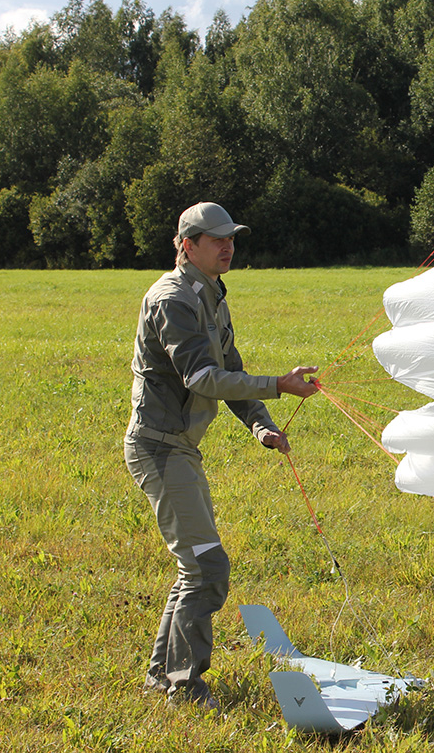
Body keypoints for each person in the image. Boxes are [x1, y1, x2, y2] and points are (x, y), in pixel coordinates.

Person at [124, 201, 319, 709]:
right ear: (187, 245)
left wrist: (262, 425)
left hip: (179, 449)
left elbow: (229, 367)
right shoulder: (171, 299)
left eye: (231, 238)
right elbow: (201, 377)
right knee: (207, 570)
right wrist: (278, 384)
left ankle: (164, 678)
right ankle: (183, 688)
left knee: (198, 567)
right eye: (216, 239)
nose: (228, 246)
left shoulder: (212, 295)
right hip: (158, 449)